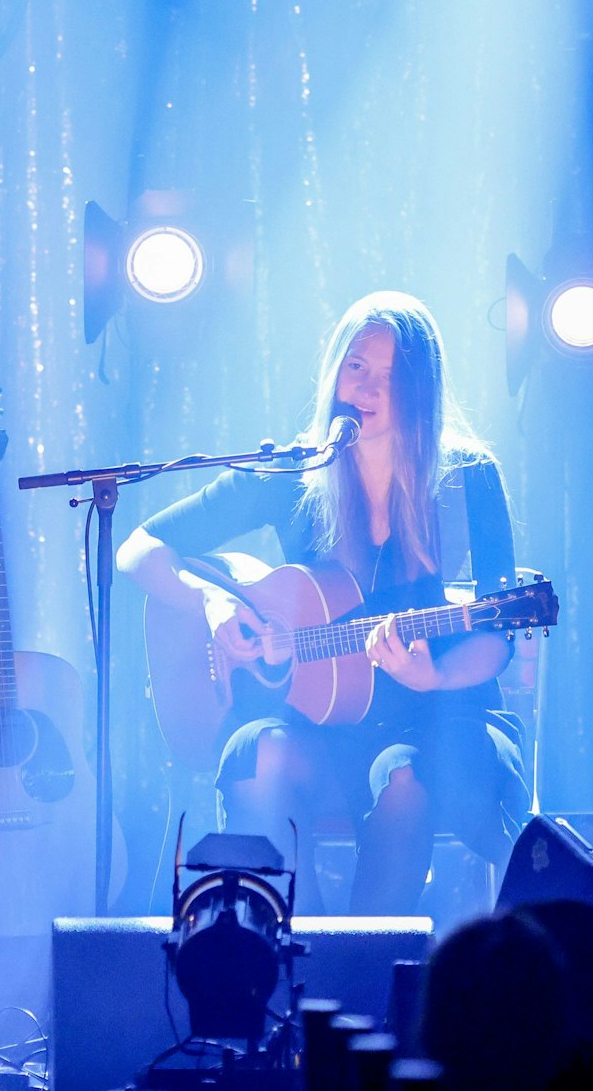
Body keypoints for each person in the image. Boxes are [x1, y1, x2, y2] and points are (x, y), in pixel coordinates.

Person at [117, 290, 524, 915]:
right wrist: (211, 603)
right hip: (315, 719)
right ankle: (292, 951)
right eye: (356, 366)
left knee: (403, 780)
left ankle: (362, 966)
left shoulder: (467, 478)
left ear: (423, 388)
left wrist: (434, 673)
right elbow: (141, 548)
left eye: (389, 376)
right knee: (259, 753)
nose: (365, 388)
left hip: (432, 721)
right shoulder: (294, 473)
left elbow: (499, 631)